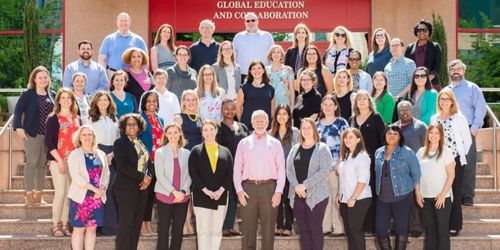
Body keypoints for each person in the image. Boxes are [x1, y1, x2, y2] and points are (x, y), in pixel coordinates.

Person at [233, 110, 286, 250]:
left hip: (269, 189)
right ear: (252, 123)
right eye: (257, 121)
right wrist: (239, 190)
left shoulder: (275, 144)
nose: (260, 124)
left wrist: (278, 192)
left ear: (268, 123)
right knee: (248, 230)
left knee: (268, 230)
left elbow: (281, 169)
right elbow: (237, 168)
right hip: (248, 189)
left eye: (263, 121)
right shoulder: (243, 143)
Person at [445, 59, 487, 206]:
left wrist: (475, 127)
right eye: (452, 69)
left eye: (458, 69)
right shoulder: (446, 90)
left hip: (468, 130)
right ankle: (453, 193)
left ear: (464, 71)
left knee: (468, 163)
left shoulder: (472, 87)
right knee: (451, 163)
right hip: (449, 132)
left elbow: (481, 108)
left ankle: (467, 195)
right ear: (449, 72)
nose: (455, 71)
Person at [430, 89, 472, 237]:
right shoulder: (434, 118)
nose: (444, 101)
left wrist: (457, 158)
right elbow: (432, 138)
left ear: (452, 101)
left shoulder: (459, 118)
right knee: (441, 192)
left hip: (455, 161)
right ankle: (441, 223)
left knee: (454, 192)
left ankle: (455, 224)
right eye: (442, 99)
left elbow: (467, 141)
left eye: (447, 99)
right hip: (438, 161)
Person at [286, 118, 332, 250]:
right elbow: (288, 169)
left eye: (309, 128)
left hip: (316, 195)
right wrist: (296, 187)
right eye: (303, 128)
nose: (306, 130)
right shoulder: (295, 148)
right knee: (304, 230)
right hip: (297, 195)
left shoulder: (323, 148)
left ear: (314, 130)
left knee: (315, 229)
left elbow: (324, 171)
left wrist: (305, 185)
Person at [14, 66, 55, 206]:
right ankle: (28, 194)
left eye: (45, 77)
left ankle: (39, 194)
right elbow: (18, 110)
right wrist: (18, 127)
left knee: (42, 165)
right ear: (34, 79)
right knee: (32, 163)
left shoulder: (53, 95)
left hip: (48, 135)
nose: (43, 80)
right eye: (40, 77)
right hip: (32, 134)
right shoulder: (28, 94)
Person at [375, 126, 421, 250]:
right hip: (383, 198)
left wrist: (410, 189)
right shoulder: (378, 152)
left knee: (401, 229)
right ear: (384, 135)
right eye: (389, 133)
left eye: (395, 133)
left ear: (400, 137)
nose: (392, 136)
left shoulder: (407, 152)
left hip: (402, 197)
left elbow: (416, 173)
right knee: (380, 229)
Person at [189, 120, 233, 250]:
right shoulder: (196, 151)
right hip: (201, 196)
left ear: (216, 131)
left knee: (216, 231)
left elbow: (229, 174)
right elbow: (193, 173)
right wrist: (206, 190)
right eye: (206, 130)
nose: (209, 132)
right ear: (202, 133)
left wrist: (220, 190)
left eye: (211, 129)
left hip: (220, 196)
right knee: (203, 232)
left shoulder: (226, 151)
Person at [348, 90, 386, 234]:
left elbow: (384, 139)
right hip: (355, 163)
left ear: (369, 101)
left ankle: (371, 226)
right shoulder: (352, 119)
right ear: (355, 103)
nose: (362, 101)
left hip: (372, 163)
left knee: (371, 193)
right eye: (359, 99)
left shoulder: (376, 117)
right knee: (358, 192)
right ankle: (360, 225)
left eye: (365, 98)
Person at [113, 113, 152, 250]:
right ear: (124, 127)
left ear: (139, 127)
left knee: (136, 224)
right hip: (125, 189)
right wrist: (143, 177)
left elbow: (149, 163)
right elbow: (122, 166)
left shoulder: (141, 143)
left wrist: (149, 178)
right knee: (126, 224)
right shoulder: (119, 143)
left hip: (141, 188)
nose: (132, 127)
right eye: (129, 124)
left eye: (134, 124)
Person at [45, 88, 81, 237]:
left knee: (69, 195)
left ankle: (65, 225)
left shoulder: (77, 118)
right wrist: (60, 161)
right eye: (63, 98)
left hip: (73, 162)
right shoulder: (53, 118)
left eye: (69, 98)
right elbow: (49, 143)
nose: (66, 100)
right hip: (57, 160)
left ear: (72, 100)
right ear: (58, 100)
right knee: (60, 193)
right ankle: (55, 225)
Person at [68, 125, 110, 250]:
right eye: (84, 135)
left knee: (92, 229)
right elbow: (76, 177)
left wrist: (102, 189)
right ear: (79, 138)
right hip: (81, 196)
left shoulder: (101, 154)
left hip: (97, 197)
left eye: (90, 134)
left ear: (93, 137)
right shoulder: (74, 154)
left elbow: (106, 174)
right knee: (79, 229)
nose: (87, 137)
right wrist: (94, 189)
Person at [416, 124, 455, 250]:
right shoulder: (421, 152)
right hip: (425, 198)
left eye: (436, 133)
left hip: (442, 198)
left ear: (441, 136)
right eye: (431, 133)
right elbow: (416, 176)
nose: (433, 136)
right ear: (427, 135)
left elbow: (451, 176)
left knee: (442, 231)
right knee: (430, 231)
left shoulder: (446, 152)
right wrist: (417, 193)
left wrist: (443, 195)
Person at [392, 101, 427, 238]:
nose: (404, 112)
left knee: (414, 200)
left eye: (407, 109)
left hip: (414, 168)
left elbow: (427, 147)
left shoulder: (421, 127)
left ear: (412, 111)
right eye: (401, 110)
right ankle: (398, 226)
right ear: (398, 112)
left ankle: (416, 227)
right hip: (396, 169)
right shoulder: (392, 127)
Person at [155, 123, 192, 250]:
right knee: (164, 229)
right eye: (169, 133)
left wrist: (182, 192)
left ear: (180, 133)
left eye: (175, 132)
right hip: (165, 195)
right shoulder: (160, 152)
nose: (173, 135)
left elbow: (190, 176)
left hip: (183, 197)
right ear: (165, 134)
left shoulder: (187, 153)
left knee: (178, 229)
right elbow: (159, 176)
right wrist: (174, 192)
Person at [316, 95, 348, 237]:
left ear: (336, 107)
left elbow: (347, 144)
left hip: (336, 166)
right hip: (320, 169)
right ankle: (325, 226)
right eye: (325, 105)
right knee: (324, 198)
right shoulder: (317, 124)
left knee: (336, 197)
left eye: (331, 105)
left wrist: (340, 162)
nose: (328, 107)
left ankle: (338, 227)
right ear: (322, 106)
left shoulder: (341, 123)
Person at [89, 91, 120, 236]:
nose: (103, 102)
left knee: (109, 190)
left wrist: (111, 154)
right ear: (96, 102)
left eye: (105, 100)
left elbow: (118, 139)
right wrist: (100, 155)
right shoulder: (91, 119)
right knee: (97, 190)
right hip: (96, 154)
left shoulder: (114, 119)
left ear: (109, 102)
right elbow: (88, 139)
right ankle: (95, 226)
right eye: (100, 100)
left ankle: (109, 226)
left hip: (112, 155)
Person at [216, 99, 249, 237]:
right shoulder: (218, 127)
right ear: (221, 110)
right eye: (226, 109)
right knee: (226, 196)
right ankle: (222, 226)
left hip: (242, 168)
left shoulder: (243, 127)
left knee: (235, 197)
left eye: (233, 108)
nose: (229, 111)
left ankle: (229, 226)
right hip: (226, 168)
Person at [336, 128, 372, 250]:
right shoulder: (346, 157)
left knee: (355, 231)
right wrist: (339, 194)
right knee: (349, 232)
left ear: (358, 139)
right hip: (345, 199)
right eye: (345, 137)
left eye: (351, 137)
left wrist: (354, 197)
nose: (347, 140)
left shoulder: (362, 157)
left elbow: (363, 180)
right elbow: (344, 179)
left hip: (359, 198)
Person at [270, 104, 299, 237]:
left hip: (290, 171)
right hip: (275, 171)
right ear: (276, 116)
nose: (282, 117)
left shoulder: (295, 132)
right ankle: (279, 225)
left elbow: (298, 150)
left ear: (289, 116)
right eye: (279, 114)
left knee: (288, 198)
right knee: (277, 198)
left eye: (284, 114)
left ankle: (288, 226)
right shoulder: (271, 133)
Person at [138, 91, 165, 236]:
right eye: (149, 101)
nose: (152, 104)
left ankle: (148, 224)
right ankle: (142, 225)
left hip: (158, 162)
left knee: (151, 196)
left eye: (154, 101)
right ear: (144, 103)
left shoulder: (160, 119)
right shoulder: (140, 119)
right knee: (144, 195)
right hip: (145, 162)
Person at [233, 12, 274, 80]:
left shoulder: (267, 36)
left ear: (257, 21)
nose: (250, 22)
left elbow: (272, 56)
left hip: (263, 75)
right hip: (243, 75)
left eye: (253, 20)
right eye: (248, 21)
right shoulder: (238, 37)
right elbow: (233, 57)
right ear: (245, 23)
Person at [236, 60, 276, 130]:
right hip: (248, 128)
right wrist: (243, 124)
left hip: (265, 128)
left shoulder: (270, 89)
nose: (256, 71)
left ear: (263, 70)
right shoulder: (244, 88)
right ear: (250, 72)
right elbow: (238, 108)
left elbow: (272, 111)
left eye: (259, 68)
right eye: (253, 69)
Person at [405, 19, 443, 91]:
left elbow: (437, 65)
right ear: (416, 32)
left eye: (424, 30)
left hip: (431, 83)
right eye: (419, 30)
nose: (421, 32)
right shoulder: (410, 48)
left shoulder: (435, 47)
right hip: (414, 83)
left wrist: (426, 79)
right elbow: (406, 66)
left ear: (429, 32)